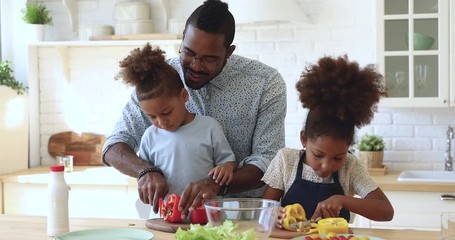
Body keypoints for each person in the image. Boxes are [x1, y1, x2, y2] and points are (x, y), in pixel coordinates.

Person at [102, 0, 286, 220]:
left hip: (244, 217)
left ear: (228, 52)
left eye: (209, 59)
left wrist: (218, 185)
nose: (196, 65)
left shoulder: (265, 83)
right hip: (172, 219)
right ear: (182, 38)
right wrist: (145, 171)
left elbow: (270, 163)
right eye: (189, 53)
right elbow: (114, 145)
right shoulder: (160, 78)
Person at [262, 55, 394, 228]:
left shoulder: (351, 167)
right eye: (318, 155)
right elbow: (263, 211)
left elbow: (386, 211)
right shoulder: (286, 161)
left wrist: (342, 200)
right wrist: (274, 215)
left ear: (348, 147)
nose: (326, 166)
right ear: (304, 139)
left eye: (338, 158)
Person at [115, 43, 236, 197]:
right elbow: (145, 174)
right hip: (163, 216)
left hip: (204, 215)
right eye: (152, 116)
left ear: (184, 96)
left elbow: (228, 162)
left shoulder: (209, 127)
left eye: (166, 112)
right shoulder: (150, 136)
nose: (161, 122)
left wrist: (226, 168)